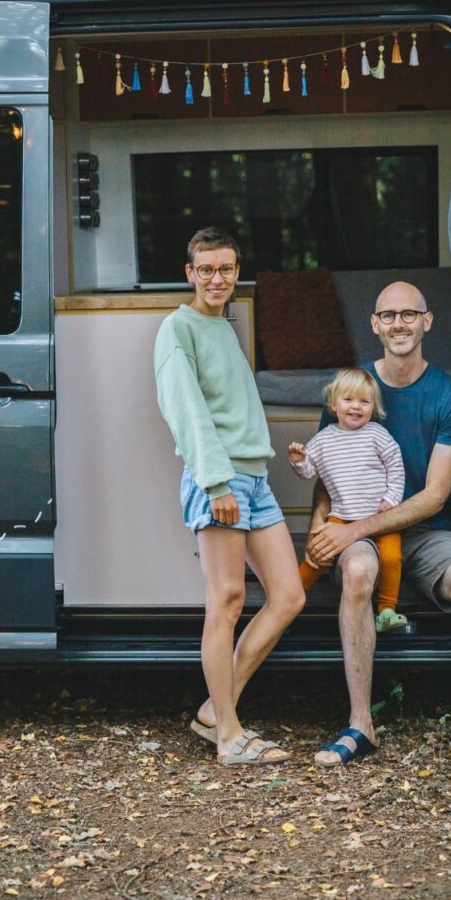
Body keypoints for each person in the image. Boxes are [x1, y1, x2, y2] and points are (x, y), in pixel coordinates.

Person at [307, 281, 451, 780]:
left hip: (424, 530)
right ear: (375, 324)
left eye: (409, 315)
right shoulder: (351, 387)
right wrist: (321, 524)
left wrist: (353, 526)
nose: (398, 324)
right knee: (357, 570)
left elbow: (435, 495)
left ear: (427, 322)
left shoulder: (446, 392)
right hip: (357, 531)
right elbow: (325, 471)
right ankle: (361, 726)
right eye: (388, 315)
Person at [154, 227, 305, 767]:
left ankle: (215, 711)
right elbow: (187, 411)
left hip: (255, 479)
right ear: (190, 273)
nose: (217, 278)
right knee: (226, 603)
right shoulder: (179, 328)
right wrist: (216, 483)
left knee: (288, 596)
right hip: (218, 480)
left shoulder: (225, 324)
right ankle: (229, 737)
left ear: (237, 272)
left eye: (226, 269)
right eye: (206, 269)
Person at [288, 367, 407, 634]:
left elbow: (396, 466)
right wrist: (299, 461)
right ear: (333, 404)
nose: (356, 407)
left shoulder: (377, 434)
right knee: (318, 554)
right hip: (341, 513)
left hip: (378, 515)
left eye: (364, 402)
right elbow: (309, 472)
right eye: (348, 400)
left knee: (391, 556)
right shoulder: (324, 439)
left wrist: (391, 497)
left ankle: (386, 610)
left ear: (373, 407)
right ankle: (290, 598)